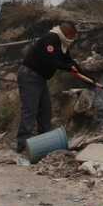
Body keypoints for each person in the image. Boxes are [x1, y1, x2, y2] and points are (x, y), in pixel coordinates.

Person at [16, 19, 82, 153]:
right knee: (30, 110)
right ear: (67, 33)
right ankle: (23, 145)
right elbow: (52, 61)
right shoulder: (51, 39)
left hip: (40, 78)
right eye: (72, 35)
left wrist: (80, 71)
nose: (73, 39)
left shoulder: (62, 44)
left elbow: (68, 60)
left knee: (45, 111)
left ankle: (43, 145)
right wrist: (68, 67)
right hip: (30, 76)